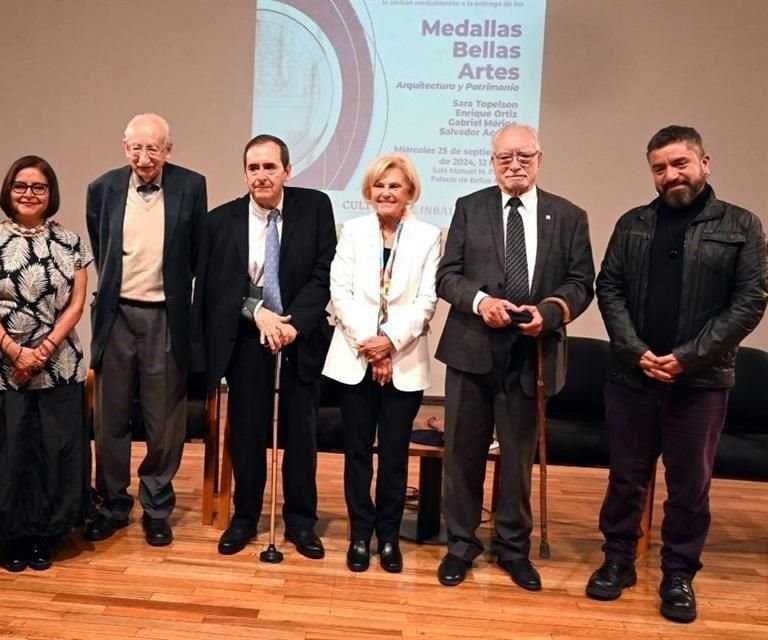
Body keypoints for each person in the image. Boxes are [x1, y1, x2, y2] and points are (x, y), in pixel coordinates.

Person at [587, 125, 767, 623]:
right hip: (632, 376)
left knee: (690, 486)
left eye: (680, 164)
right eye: (660, 168)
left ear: (704, 163)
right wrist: (635, 349)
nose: (671, 175)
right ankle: (617, 561)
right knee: (626, 478)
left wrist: (689, 356)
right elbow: (611, 289)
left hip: (701, 383)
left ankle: (679, 573)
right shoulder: (633, 224)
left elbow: (750, 301)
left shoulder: (741, 225)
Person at [435, 124, 594, 591]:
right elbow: (448, 276)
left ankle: (513, 549)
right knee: (462, 455)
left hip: (533, 355)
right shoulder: (471, 207)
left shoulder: (569, 216)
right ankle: (460, 546)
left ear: (540, 158)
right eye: (504, 157)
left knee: (519, 459)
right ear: (492, 162)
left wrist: (549, 312)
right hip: (471, 351)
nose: (514, 165)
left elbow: (581, 281)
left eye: (523, 156)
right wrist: (482, 301)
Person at [192, 134, 336, 558]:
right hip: (246, 341)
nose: (261, 175)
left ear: (287, 171)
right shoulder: (220, 221)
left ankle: (301, 522)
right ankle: (245, 517)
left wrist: (294, 325)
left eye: (269, 167)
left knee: (301, 435)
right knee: (248, 434)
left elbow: (323, 273)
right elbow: (217, 287)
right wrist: (257, 312)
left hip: (299, 336)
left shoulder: (315, 208)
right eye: (253, 168)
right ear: (244, 173)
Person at [0, 155, 92, 572]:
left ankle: (42, 535)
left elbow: (76, 304)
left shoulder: (72, 243)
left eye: (39, 187)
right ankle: (8, 536)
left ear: (51, 195)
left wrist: (43, 351)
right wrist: (15, 351)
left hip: (57, 366)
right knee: (4, 453)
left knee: (48, 454)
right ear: (8, 191)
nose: (29, 194)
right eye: (21, 186)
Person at [85, 113, 207, 546]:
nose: (144, 156)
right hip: (117, 316)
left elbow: (195, 255)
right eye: (136, 147)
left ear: (168, 150)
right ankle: (113, 501)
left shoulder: (192, 186)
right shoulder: (103, 188)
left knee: (165, 421)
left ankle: (156, 505)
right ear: (124, 147)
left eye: (153, 148)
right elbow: (103, 251)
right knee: (110, 417)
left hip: (166, 318)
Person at [322, 154, 440, 573]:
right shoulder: (352, 232)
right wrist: (370, 346)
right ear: (369, 191)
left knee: (394, 456)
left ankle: (388, 537)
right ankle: (359, 535)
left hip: (404, 362)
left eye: (395, 186)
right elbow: (340, 292)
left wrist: (389, 343)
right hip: (354, 359)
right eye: (379, 186)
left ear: (410, 191)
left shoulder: (428, 237)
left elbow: (427, 301)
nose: (386, 193)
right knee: (357, 453)